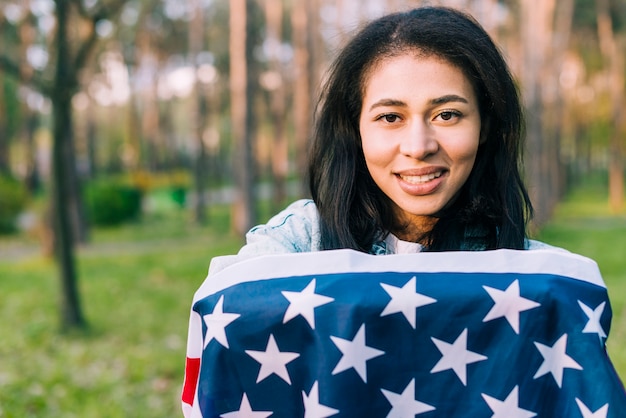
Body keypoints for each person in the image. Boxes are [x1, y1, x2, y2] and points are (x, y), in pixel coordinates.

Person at [209, 6, 553, 275]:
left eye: (446, 115)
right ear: (354, 128)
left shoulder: (539, 277)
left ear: (486, 126)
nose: (418, 147)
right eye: (390, 118)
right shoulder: (297, 243)